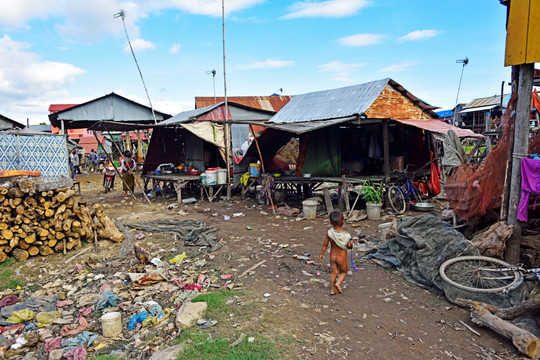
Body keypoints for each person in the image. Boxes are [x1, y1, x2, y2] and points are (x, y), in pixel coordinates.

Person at [319, 210, 355, 295]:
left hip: (333, 257)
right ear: (343, 222)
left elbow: (325, 244)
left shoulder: (329, 233)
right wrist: (352, 244)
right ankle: (338, 283)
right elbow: (349, 246)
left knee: (333, 272)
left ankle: (332, 290)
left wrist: (321, 254)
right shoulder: (346, 235)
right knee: (343, 272)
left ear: (330, 222)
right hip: (341, 257)